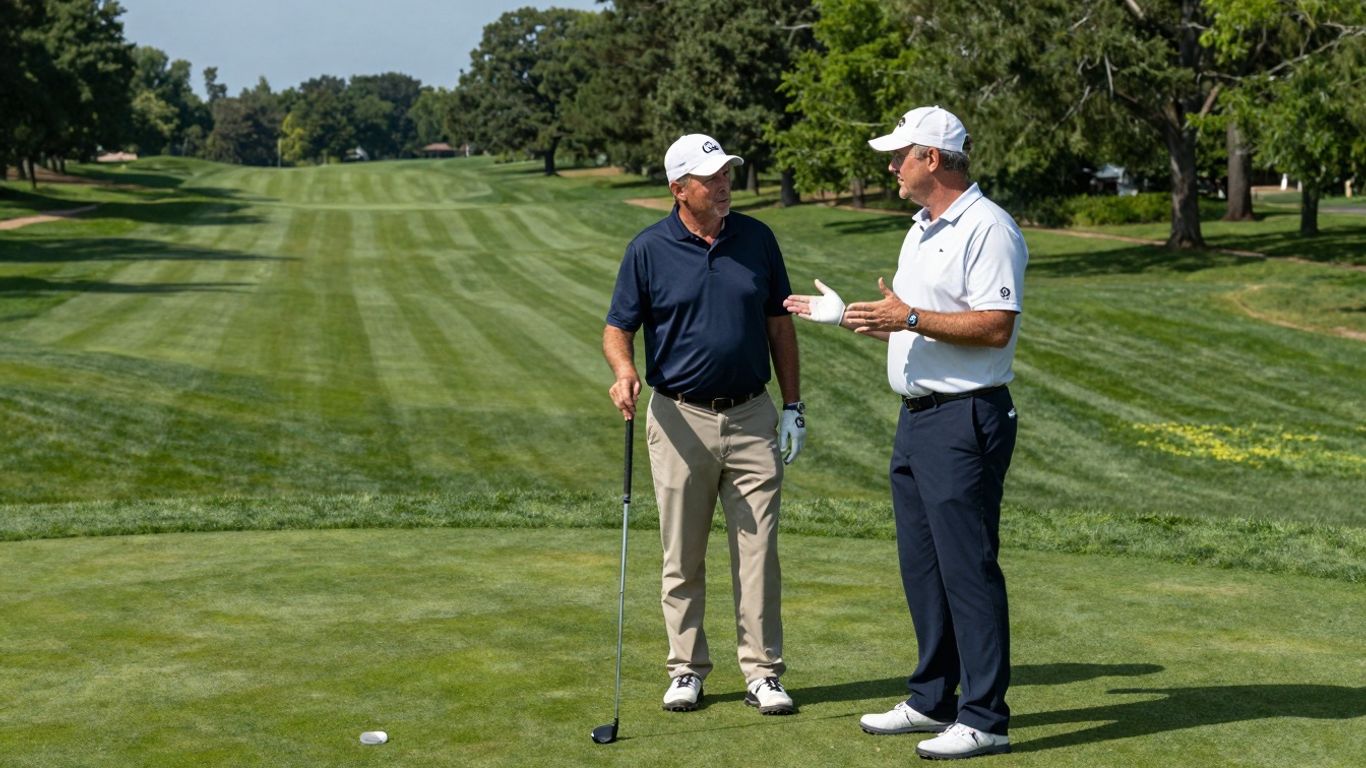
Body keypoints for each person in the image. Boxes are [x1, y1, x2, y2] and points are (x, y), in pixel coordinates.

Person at [785, 105, 1026, 759]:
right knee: (923, 569)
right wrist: (853, 319)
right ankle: (931, 699)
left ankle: (984, 717)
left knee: (966, 569)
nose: (891, 166)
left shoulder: (988, 227)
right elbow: (912, 320)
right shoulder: (922, 228)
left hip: (965, 418)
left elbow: (996, 324)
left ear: (934, 159)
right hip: (917, 419)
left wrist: (911, 317)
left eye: (901, 155)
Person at [603, 133, 805, 716]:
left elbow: (779, 327)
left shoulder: (757, 239)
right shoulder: (648, 249)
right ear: (679, 189)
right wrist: (623, 371)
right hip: (678, 418)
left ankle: (763, 672)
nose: (725, 185)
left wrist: (792, 406)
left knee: (759, 551)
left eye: (728, 174)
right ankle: (687, 668)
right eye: (711, 178)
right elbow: (619, 327)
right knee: (682, 553)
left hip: (750, 413)